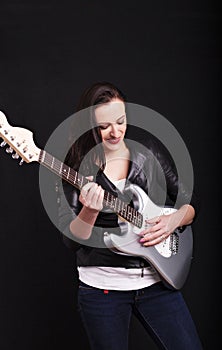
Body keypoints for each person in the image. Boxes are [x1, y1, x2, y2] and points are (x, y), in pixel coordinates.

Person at [58, 81, 203, 350]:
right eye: (104, 127)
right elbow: (71, 240)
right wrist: (90, 210)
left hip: (157, 282)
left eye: (121, 121)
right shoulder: (77, 168)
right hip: (103, 290)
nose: (115, 132)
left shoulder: (148, 152)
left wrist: (174, 219)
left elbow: (190, 203)